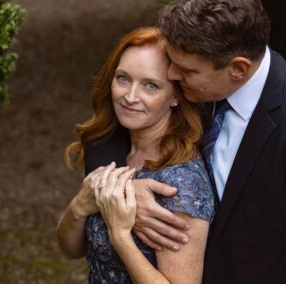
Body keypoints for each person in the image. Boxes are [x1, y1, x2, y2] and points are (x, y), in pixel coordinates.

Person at [119, 0, 286, 283]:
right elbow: (119, 137)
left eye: (187, 70)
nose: (171, 74)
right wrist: (126, 188)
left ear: (238, 69)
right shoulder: (194, 89)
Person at [56, 27, 215, 283]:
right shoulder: (112, 149)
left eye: (150, 85)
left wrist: (120, 235)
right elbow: (70, 249)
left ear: (175, 96)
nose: (130, 97)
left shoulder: (180, 184)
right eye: (123, 78)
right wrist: (79, 205)